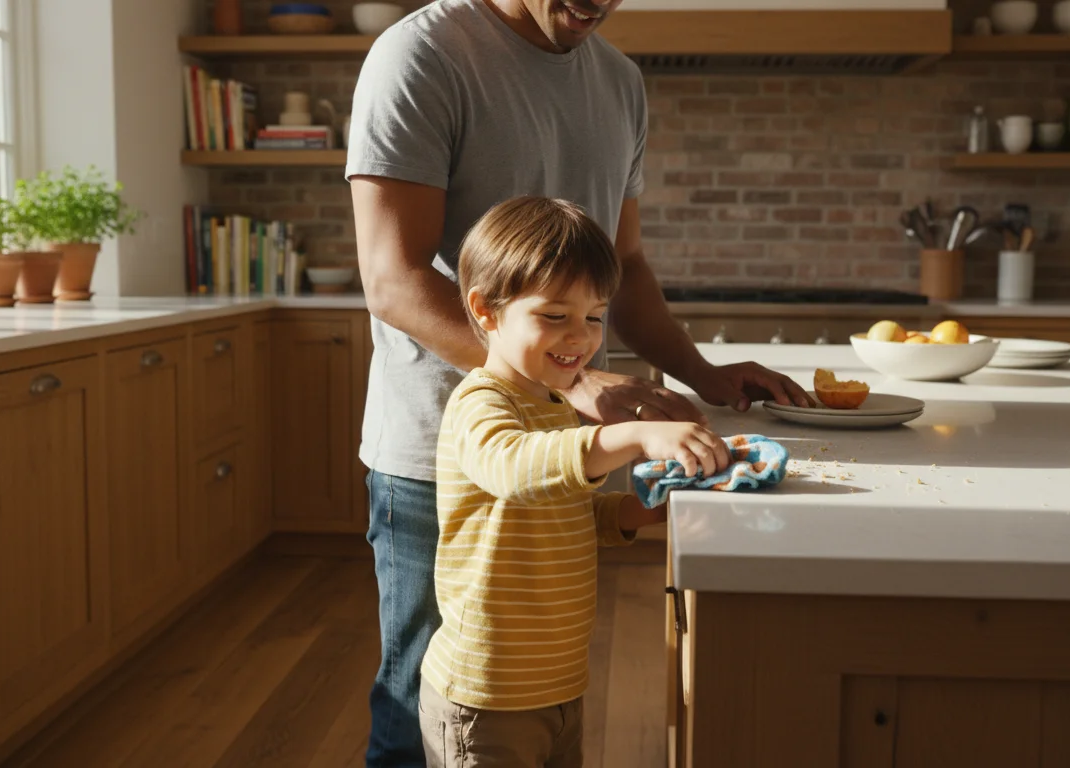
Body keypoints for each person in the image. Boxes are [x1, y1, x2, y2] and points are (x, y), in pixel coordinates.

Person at [346, 1, 811, 764]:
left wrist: (704, 376)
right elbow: (393, 279)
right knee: (418, 716)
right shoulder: (422, 55)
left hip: (564, 445)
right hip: (439, 453)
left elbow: (621, 268)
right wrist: (581, 387)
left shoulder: (620, 81)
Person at [419, 195, 730, 767]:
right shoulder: (481, 403)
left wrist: (637, 512)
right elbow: (517, 470)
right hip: (486, 698)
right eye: (555, 316)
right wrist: (633, 439)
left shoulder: (553, 404)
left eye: (593, 317)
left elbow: (561, 514)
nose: (580, 338)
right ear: (486, 311)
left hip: (556, 683)